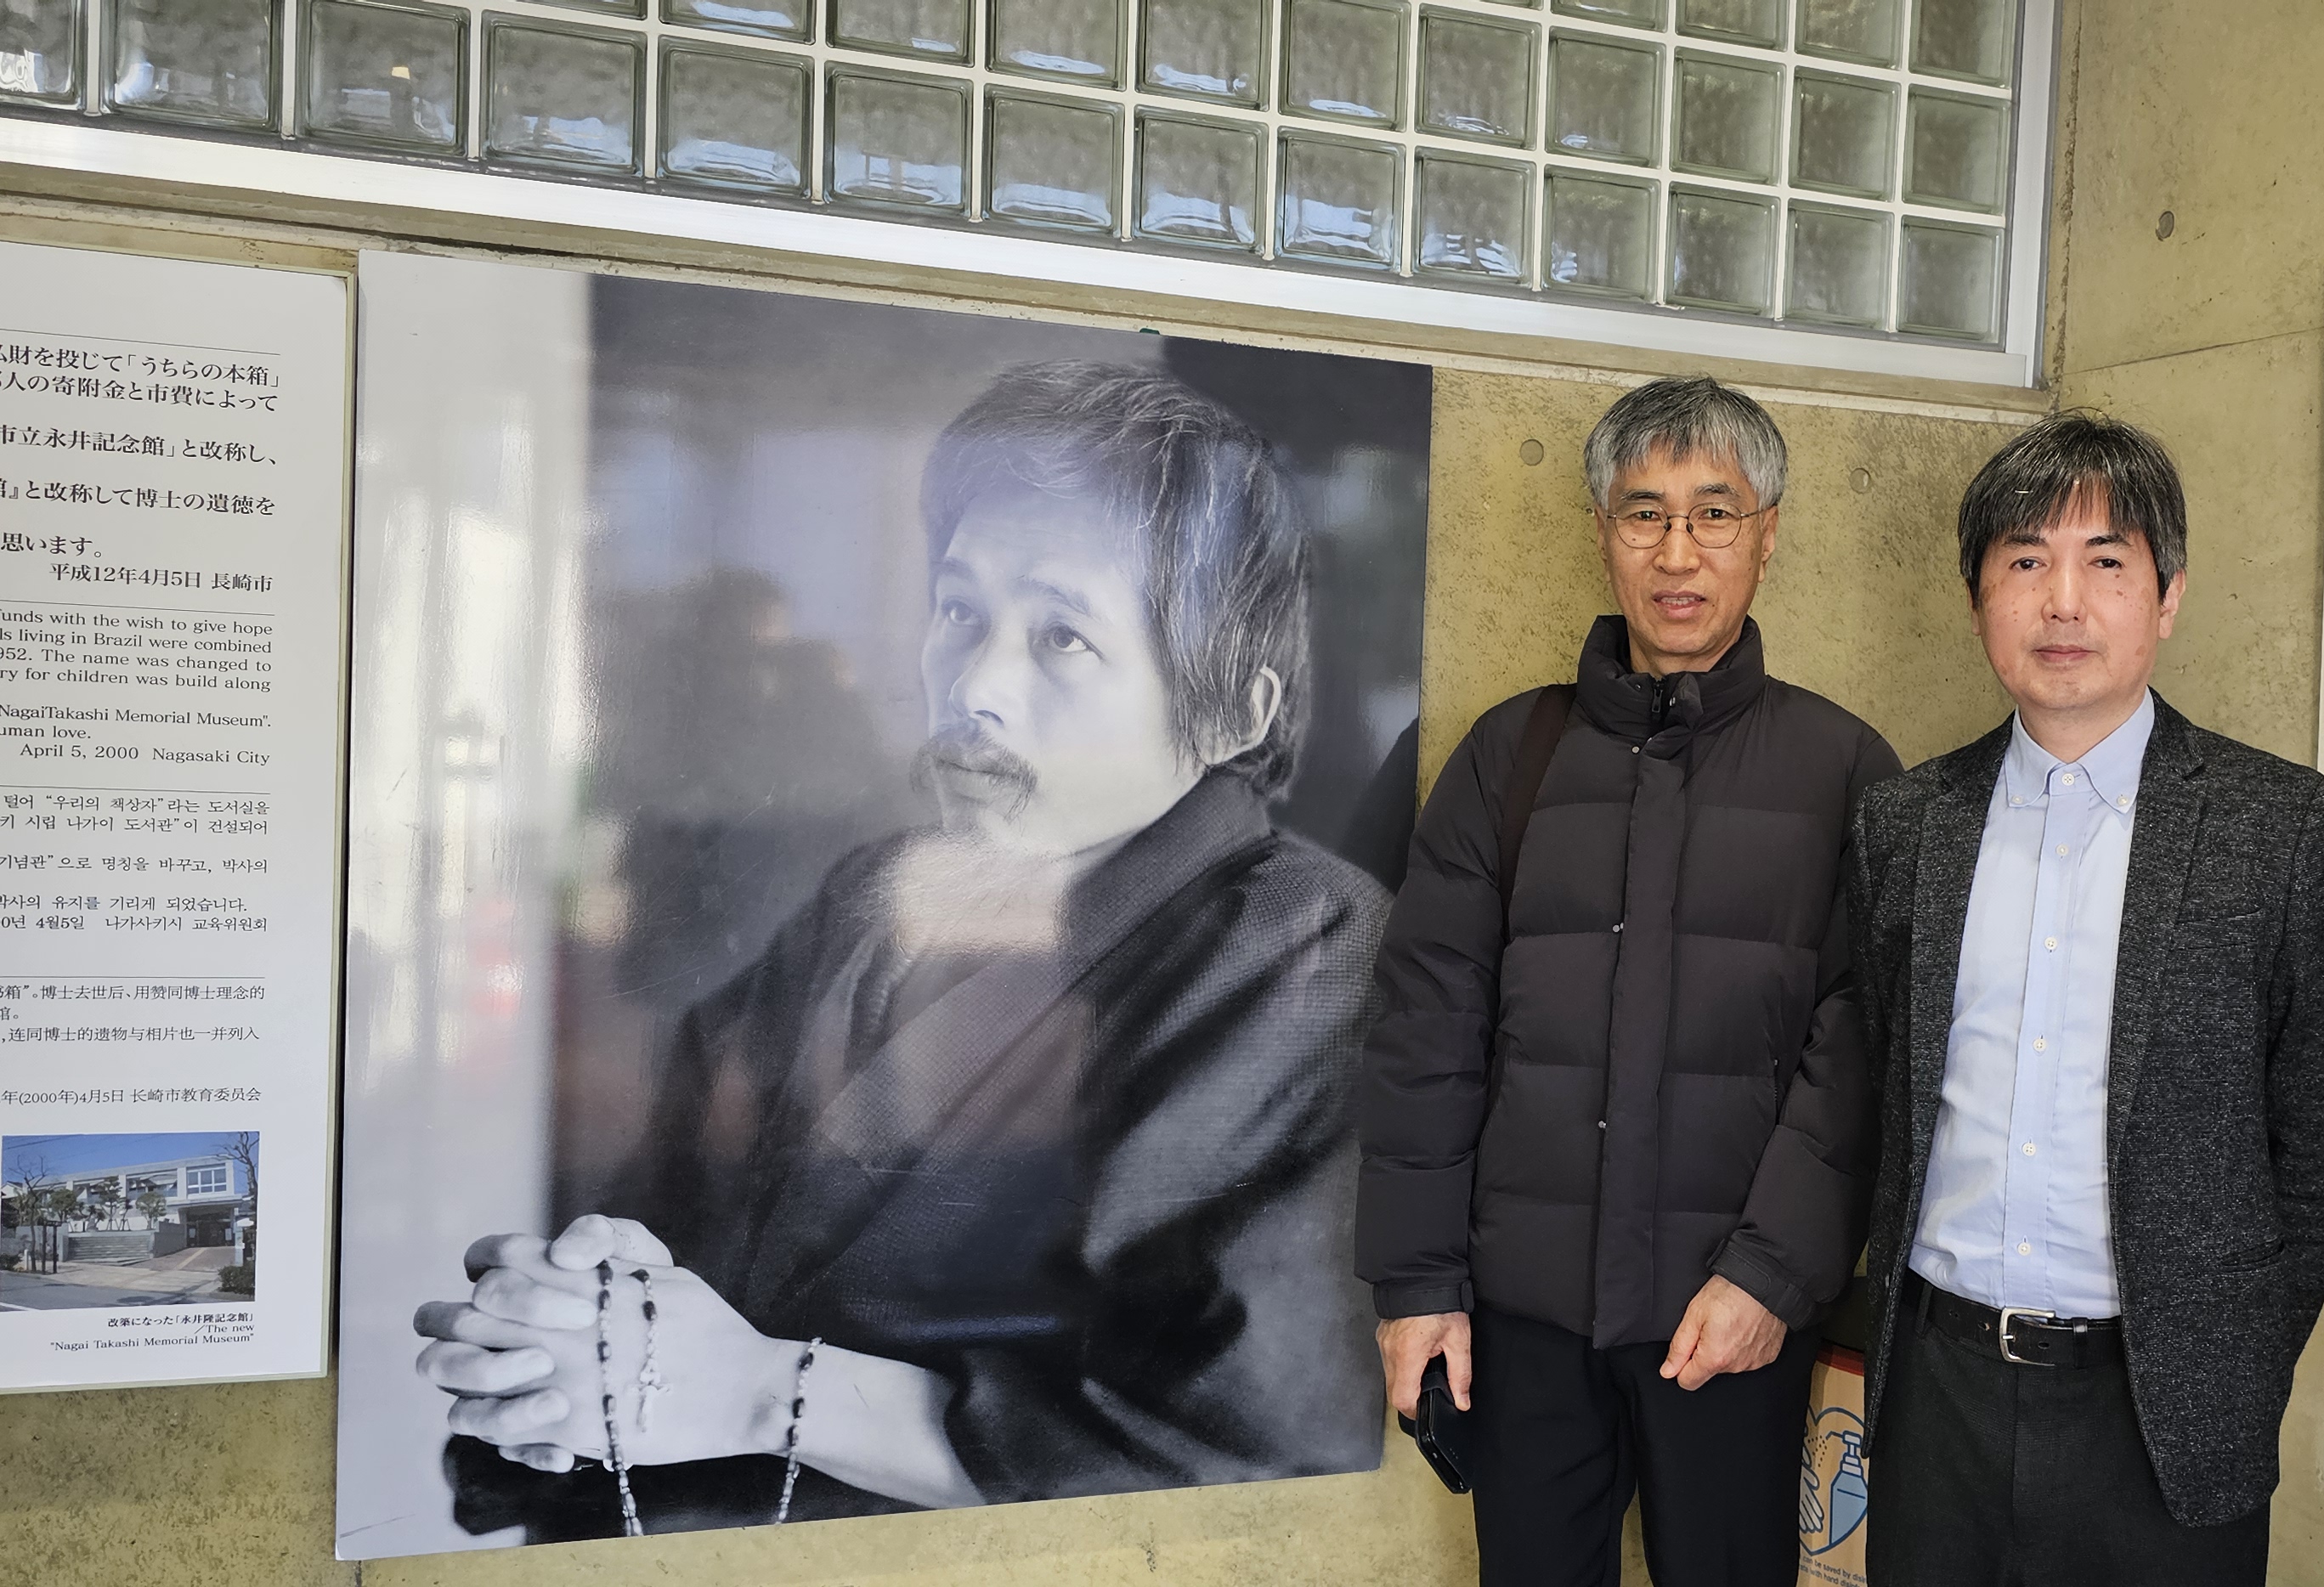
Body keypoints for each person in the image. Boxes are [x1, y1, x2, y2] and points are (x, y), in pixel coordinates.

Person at [408, 361, 1387, 1538]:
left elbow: (1248, 1451)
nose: (974, 685)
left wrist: (757, 1390)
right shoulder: (875, 899)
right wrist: (584, 1320)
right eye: (960, 612)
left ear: (1233, 709)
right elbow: (675, 1204)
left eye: (1063, 637)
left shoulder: (1309, 954)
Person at [1354, 376, 1901, 1587]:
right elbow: (1425, 1030)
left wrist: (1770, 1275)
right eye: (1645, 513)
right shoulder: (1509, 752)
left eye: (1714, 512)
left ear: (1767, 533)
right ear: (1603, 530)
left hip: (1733, 1320)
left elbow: (1863, 1060)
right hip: (1525, 1321)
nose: (1678, 551)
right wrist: (1418, 1282)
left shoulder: (1846, 770)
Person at [1851, 412, 2324, 1584]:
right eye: (2025, 561)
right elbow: (1878, 1088)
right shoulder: (1905, 824)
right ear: (1978, 597)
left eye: (2106, 562)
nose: (2063, 603)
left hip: (2164, 1412)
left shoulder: (2279, 829)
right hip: (1938, 1392)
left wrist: (2234, 1351)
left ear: (2167, 595)